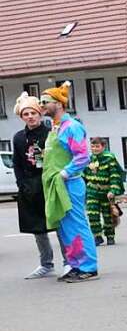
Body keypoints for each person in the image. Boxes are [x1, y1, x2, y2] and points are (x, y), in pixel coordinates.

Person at [39, 82, 100, 283]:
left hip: (70, 183)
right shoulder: (55, 128)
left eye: (45, 102)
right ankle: (74, 264)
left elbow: (82, 156)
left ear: (59, 103)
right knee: (65, 227)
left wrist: (65, 173)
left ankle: (88, 266)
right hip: (57, 185)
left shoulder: (72, 127)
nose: (42, 106)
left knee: (77, 224)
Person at [12, 93, 66, 279]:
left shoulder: (51, 132)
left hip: (49, 182)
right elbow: (17, 163)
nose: (30, 117)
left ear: (40, 114)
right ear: (21, 117)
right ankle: (46, 263)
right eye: (26, 114)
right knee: (38, 228)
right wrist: (22, 185)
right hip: (30, 186)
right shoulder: (19, 137)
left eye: (33, 113)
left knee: (59, 224)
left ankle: (69, 262)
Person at [84, 138, 126, 246]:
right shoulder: (90, 159)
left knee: (108, 216)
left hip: (106, 192)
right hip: (92, 190)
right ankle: (97, 236)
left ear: (103, 147)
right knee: (92, 214)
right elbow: (84, 174)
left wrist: (113, 190)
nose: (95, 149)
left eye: (97, 146)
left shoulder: (109, 159)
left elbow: (114, 175)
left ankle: (110, 236)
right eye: (93, 146)